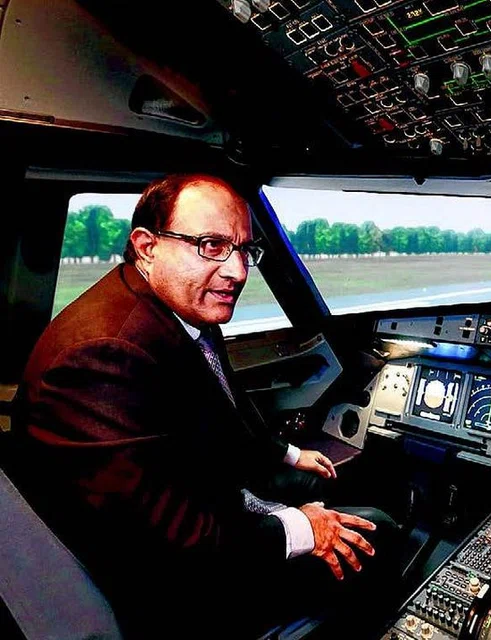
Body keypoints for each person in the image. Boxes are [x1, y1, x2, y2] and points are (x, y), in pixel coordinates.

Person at [13, 174, 400, 638]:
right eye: (211, 245)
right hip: (164, 588)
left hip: (196, 498)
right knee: (377, 532)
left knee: (336, 478)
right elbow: (175, 545)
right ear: (147, 247)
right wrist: (302, 529)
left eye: (244, 250)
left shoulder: (178, 309)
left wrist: (289, 454)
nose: (237, 271)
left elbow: (222, 408)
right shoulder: (104, 354)